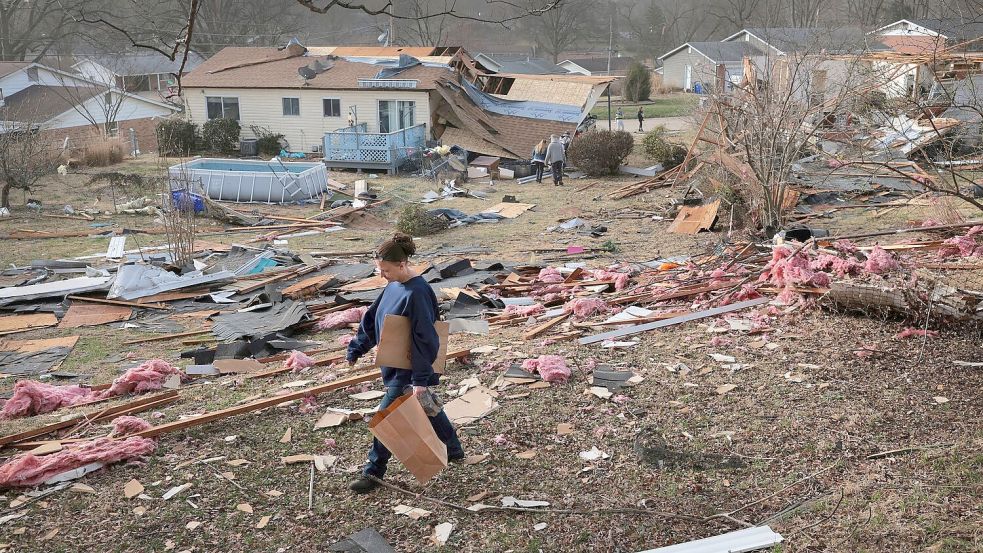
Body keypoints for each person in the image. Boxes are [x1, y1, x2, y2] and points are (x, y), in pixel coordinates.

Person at [346, 233, 465, 494]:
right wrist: (357, 348)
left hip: (409, 369)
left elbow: (426, 338)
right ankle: (454, 450)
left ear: (402, 265)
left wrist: (419, 379)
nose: (382, 275)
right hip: (395, 366)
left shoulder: (418, 292)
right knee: (427, 405)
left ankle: (373, 471)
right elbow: (373, 319)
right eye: (380, 270)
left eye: (386, 270)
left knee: (386, 419)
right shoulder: (393, 286)